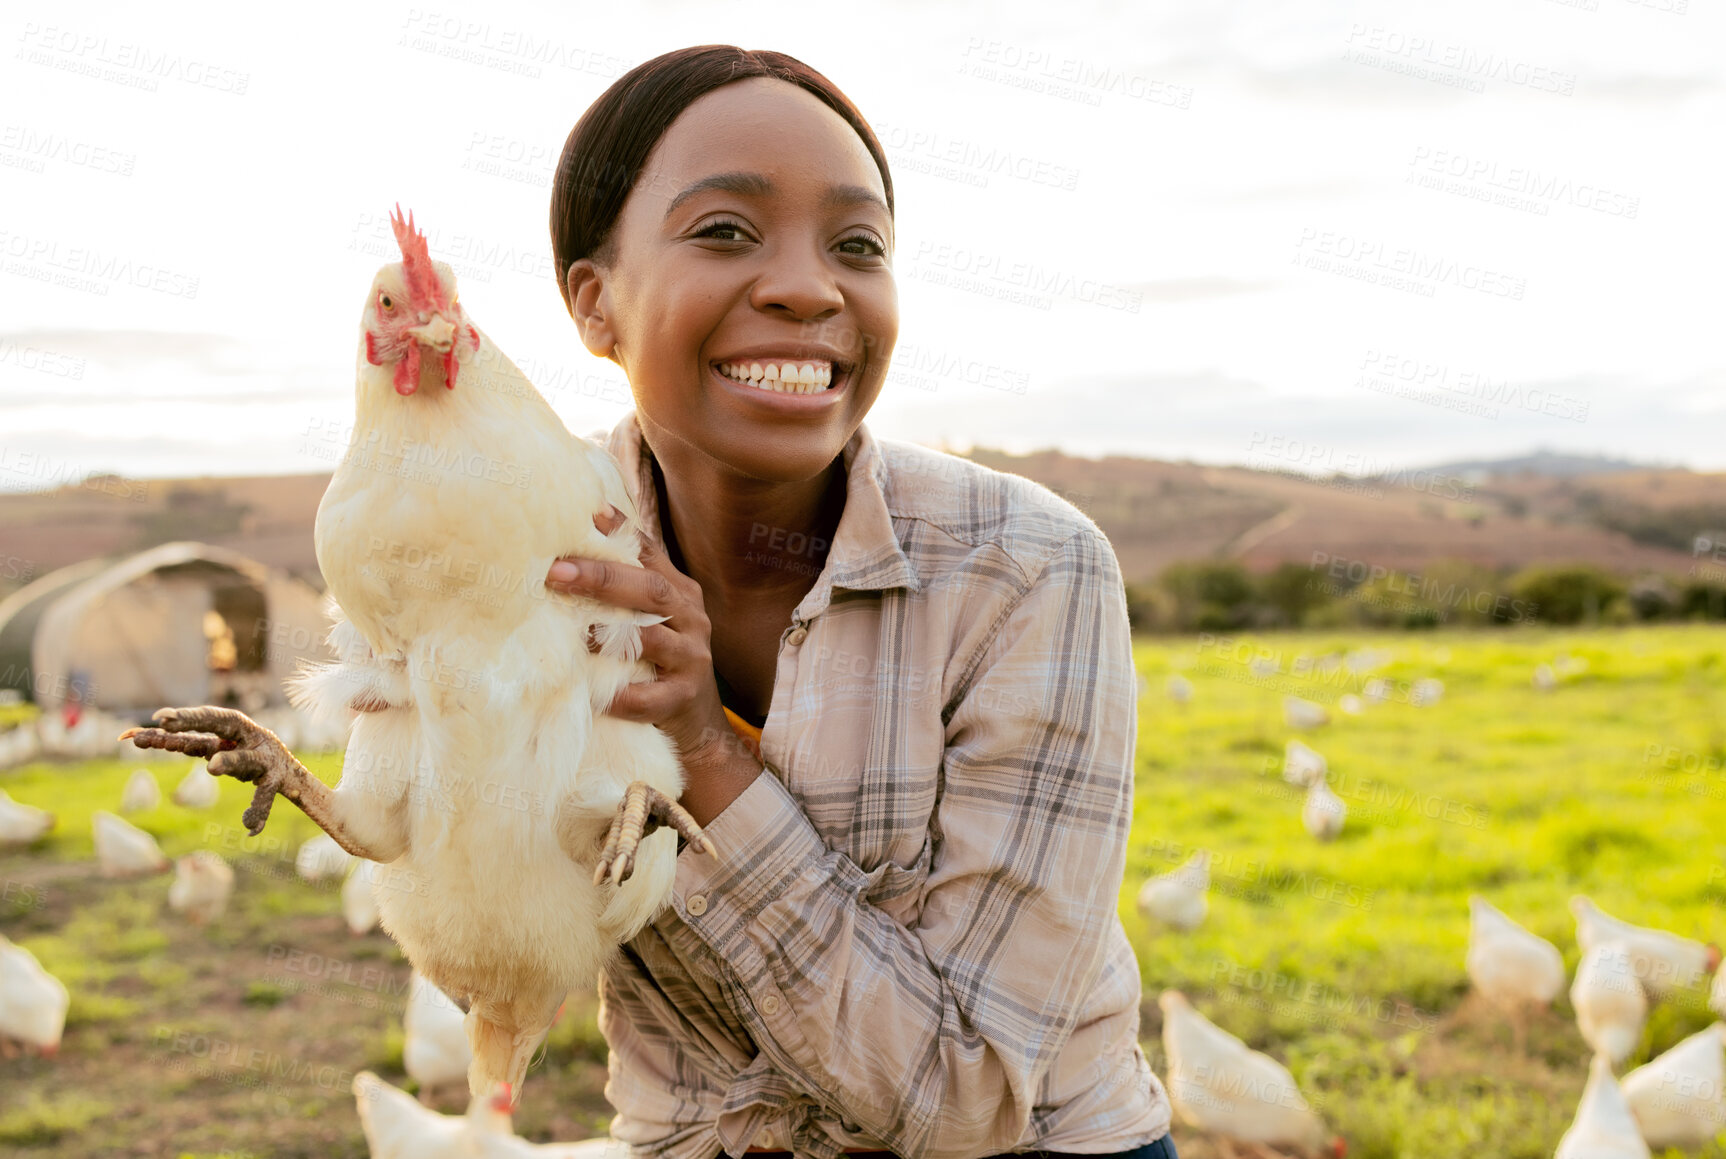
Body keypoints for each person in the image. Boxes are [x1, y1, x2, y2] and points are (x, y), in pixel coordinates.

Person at [543, 45, 1174, 1159]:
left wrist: (704, 751)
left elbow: (971, 1098)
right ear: (595, 303)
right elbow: (483, 947)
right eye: (725, 231)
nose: (808, 285)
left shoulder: (1025, 570)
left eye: (858, 246)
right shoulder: (536, 567)